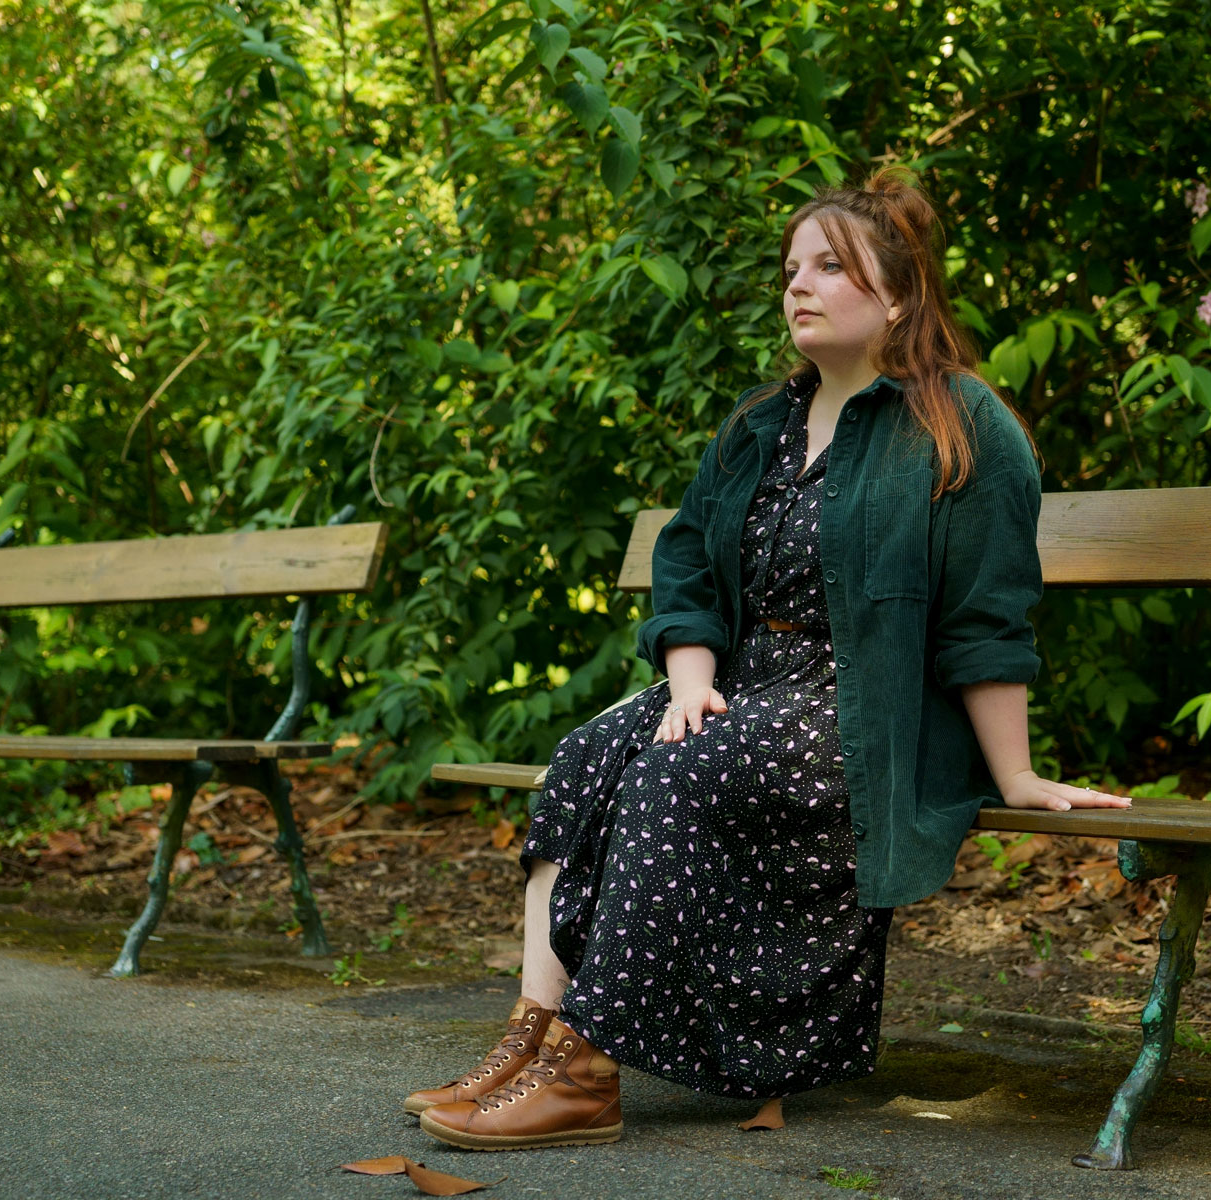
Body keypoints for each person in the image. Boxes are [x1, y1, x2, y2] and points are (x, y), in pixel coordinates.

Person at [406, 166, 1135, 1152]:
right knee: (585, 756)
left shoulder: (961, 428)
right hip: (743, 689)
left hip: (868, 709)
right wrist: (692, 680)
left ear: (903, 293)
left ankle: (582, 1074)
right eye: (792, 266)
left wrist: (1016, 774)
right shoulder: (762, 425)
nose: (798, 284)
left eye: (831, 266)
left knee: (679, 769)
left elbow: (985, 616)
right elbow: (690, 562)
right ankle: (531, 1041)